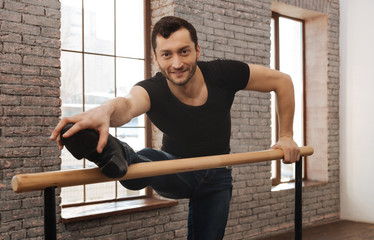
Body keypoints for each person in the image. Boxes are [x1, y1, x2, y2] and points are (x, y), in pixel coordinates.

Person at [50, 16, 300, 240]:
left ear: (197, 51)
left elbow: (282, 81)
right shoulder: (152, 89)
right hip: (175, 167)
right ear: (157, 59)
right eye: (167, 54)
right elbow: (127, 105)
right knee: (142, 164)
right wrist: (104, 110)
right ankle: (111, 154)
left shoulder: (223, 73)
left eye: (184, 51)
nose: (177, 63)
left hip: (217, 176)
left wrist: (286, 136)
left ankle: (119, 157)